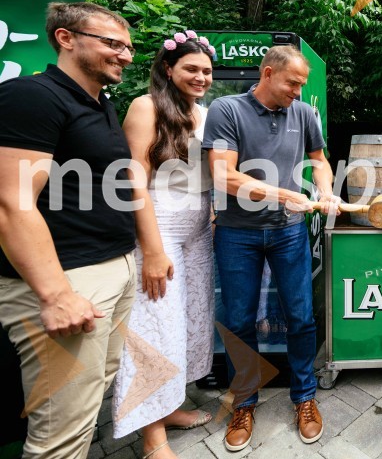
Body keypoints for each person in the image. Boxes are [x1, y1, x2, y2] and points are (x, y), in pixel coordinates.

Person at [0, 2, 137, 458]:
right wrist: (55, 294)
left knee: (87, 402)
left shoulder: (100, 104)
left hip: (112, 269)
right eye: (113, 44)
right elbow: (10, 202)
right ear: (66, 38)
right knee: (60, 433)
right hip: (70, 278)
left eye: (129, 47)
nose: (125, 55)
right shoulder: (32, 96)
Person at [202, 45, 339, 451]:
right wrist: (284, 194)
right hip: (236, 232)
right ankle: (244, 402)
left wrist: (327, 190)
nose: (298, 92)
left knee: (300, 316)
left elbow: (320, 160)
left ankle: (305, 398)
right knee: (240, 320)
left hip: (289, 232)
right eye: (293, 83)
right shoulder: (226, 109)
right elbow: (223, 176)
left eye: (302, 84)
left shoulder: (304, 114)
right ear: (267, 73)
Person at [111, 33, 218, 458]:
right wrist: (151, 249)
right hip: (159, 232)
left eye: (207, 71)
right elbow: (132, 177)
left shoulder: (207, 114)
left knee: (189, 325)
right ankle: (152, 437)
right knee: (153, 331)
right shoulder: (145, 106)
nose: (201, 77)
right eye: (191, 68)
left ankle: (171, 405)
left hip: (198, 234)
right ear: (168, 69)